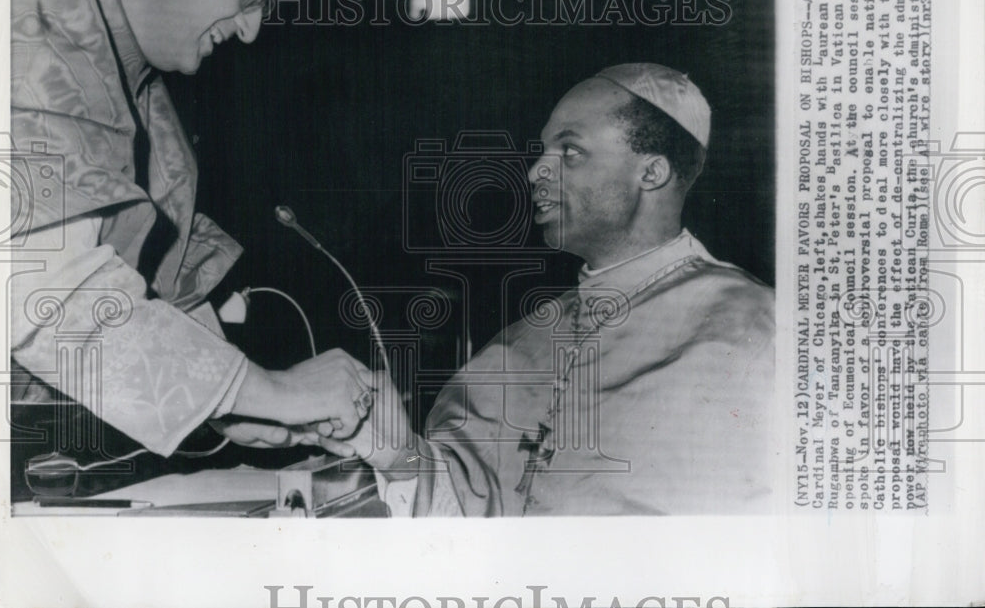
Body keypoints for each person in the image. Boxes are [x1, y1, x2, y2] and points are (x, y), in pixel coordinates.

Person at [8, 0, 371, 457]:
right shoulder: (34, 9)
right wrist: (269, 390)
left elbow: (157, 286)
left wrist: (229, 407)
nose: (253, 30)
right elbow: (46, 296)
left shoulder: (132, 75)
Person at [323, 63, 775, 515]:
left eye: (571, 151)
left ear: (651, 172)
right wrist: (396, 450)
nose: (535, 171)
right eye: (543, 152)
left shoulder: (754, 327)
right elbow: (466, 516)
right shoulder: (520, 342)